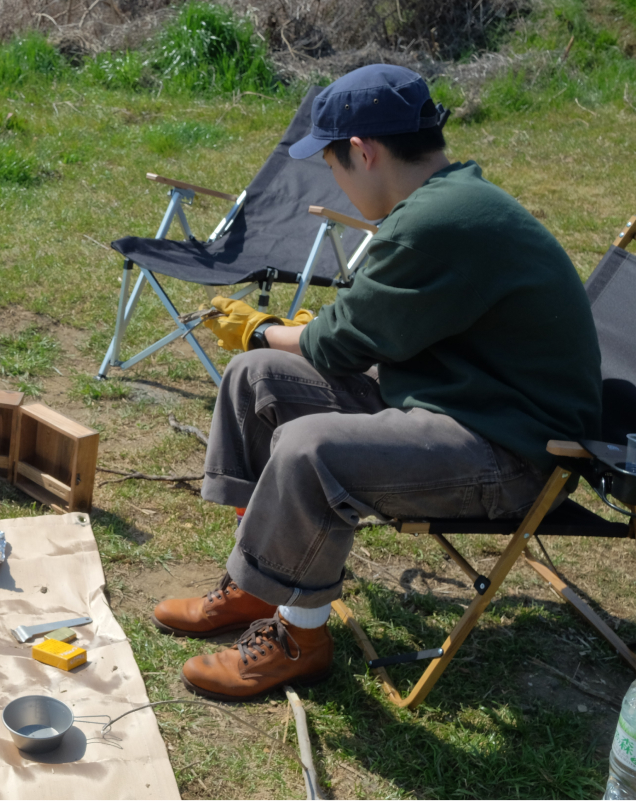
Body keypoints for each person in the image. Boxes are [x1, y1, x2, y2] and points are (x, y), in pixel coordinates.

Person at [152, 64, 602, 701]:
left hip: (519, 457)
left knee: (310, 448)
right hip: (458, 402)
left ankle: (299, 638)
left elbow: (335, 343)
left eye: (333, 166)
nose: (336, 182)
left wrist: (262, 325)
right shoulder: (448, 202)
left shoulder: (435, 222)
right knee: (257, 379)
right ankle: (257, 582)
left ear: (362, 152)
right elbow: (359, 335)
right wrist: (274, 341)